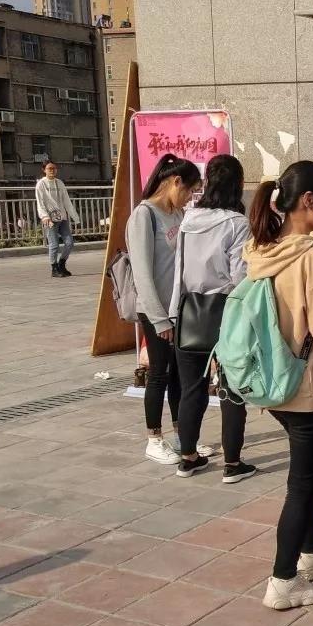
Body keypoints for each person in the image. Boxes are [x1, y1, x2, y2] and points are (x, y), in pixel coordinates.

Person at [244, 161, 313, 611]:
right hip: (308, 387)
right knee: (303, 482)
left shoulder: (261, 248)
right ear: (309, 202)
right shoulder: (312, 257)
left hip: (273, 380)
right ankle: (283, 580)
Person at [170, 154, 259, 484]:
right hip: (226, 311)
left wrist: (174, 313)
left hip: (189, 310)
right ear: (238, 183)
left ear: (207, 181)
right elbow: (239, 276)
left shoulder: (188, 219)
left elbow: (178, 271)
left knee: (191, 388)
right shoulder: (237, 223)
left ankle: (188, 458)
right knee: (231, 388)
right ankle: (232, 464)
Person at [126, 154, 202, 468]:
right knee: (159, 373)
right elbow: (142, 274)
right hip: (155, 311)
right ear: (175, 182)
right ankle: (154, 439)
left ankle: (182, 436)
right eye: (189, 190)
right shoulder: (144, 215)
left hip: (178, 309)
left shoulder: (178, 214)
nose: (190, 197)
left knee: (178, 377)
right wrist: (159, 320)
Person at [35, 161, 80, 278]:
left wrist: (75, 217)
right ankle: (54, 269)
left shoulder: (60, 183)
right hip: (49, 219)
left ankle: (62, 264)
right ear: (44, 170)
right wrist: (44, 216)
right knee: (54, 245)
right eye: (49, 168)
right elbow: (40, 203)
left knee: (69, 243)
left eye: (54, 168)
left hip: (62, 218)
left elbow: (67, 201)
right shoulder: (41, 184)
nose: (52, 170)